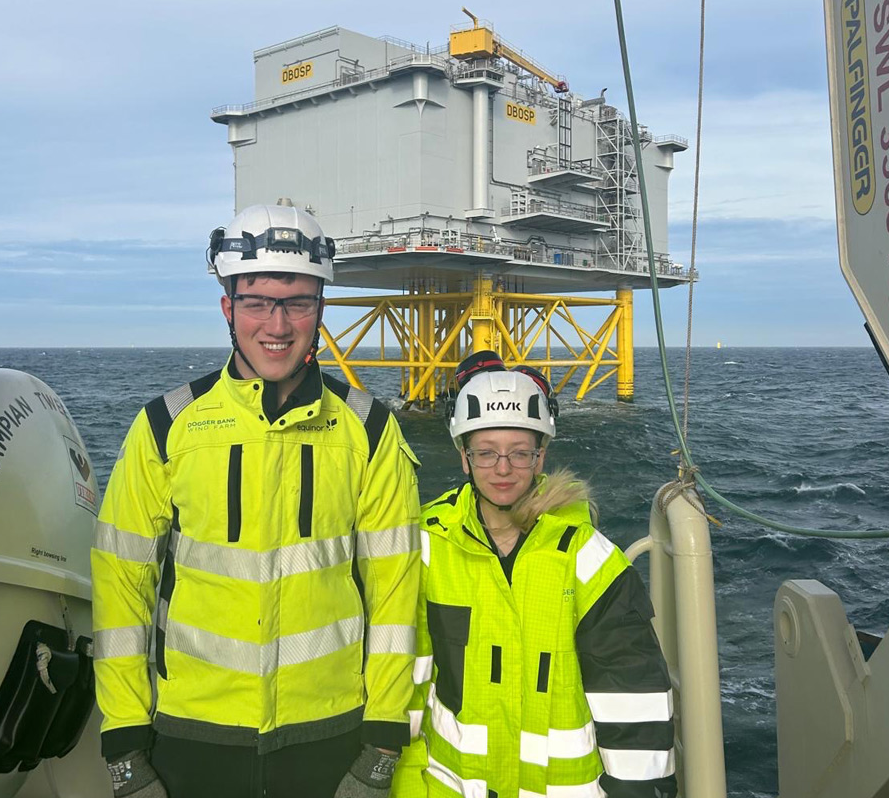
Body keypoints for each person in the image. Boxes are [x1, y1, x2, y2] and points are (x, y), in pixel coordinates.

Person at [92, 204, 422, 798]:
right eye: (257, 301)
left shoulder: (369, 431)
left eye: (297, 302)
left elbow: (395, 594)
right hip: (191, 735)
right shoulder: (166, 426)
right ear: (228, 308)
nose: (278, 323)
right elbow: (122, 591)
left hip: (331, 733)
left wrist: (382, 742)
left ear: (320, 309)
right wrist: (123, 740)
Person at [391, 352, 677, 798]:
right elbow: (406, 682)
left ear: (540, 457)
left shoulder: (588, 559)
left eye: (519, 453)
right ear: (463, 458)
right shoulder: (428, 546)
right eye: (486, 453)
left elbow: (631, 694)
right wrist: (404, 782)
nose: (502, 469)